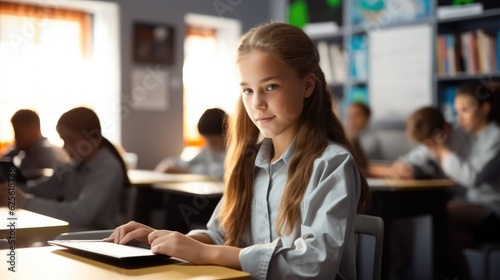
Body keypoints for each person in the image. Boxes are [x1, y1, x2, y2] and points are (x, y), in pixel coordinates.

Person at [105, 22, 370, 279]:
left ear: (307, 86)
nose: (257, 103)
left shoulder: (331, 164)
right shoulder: (248, 161)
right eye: (247, 90)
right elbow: (219, 235)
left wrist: (207, 254)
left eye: (271, 87)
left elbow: (313, 266)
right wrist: (163, 240)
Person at [389, 82, 500, 279]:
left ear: (485, 109)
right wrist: (406, 166)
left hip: (492, 207)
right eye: (457, 110)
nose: (459, 117)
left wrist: (443, 151)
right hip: (471, 205)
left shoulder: (496, 137)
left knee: (438, 211)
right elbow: (421, 154)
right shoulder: (465, 132)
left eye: (465, 110)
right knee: (444, 231)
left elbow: (473, 177)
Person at [1, 107, 130, 231]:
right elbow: (42, 189)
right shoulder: (75, 164)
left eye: (71, 141)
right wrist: (11, 191)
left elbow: (79, 214)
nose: (66, 148)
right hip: (77, 233)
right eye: (64, 141)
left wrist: (25, 201)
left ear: (95, 138)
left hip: (99, 238)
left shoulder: (108, 167)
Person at [155, 108, 228, 181]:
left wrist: (187, 171)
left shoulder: (232, 154)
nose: (209, 144)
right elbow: (186, 163)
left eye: (213, 140)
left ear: (226, 135)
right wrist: (169, 165)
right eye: (206, 139)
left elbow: (220, 174)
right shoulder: (207, 151)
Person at [1, 109, 70, 183]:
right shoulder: (23, 151)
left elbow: (58, 183)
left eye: (19, 133)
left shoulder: (47, 153)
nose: (15, 137)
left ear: (34, 130)